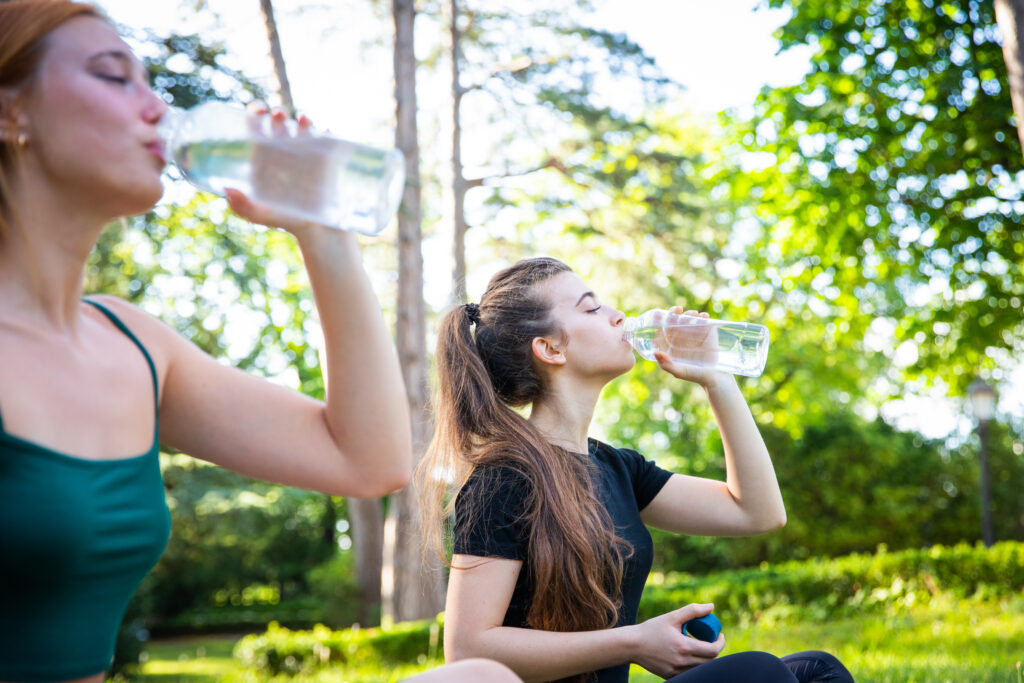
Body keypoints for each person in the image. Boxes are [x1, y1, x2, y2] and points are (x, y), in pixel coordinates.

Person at [0, 3, 521, 683]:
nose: (156, 107)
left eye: (151, 81)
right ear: (11, 113)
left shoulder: (133, 346)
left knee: (480, 678)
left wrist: (323, 232)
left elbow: (369, 460)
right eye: (113, 76)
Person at [418, 257, 855, 682]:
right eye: (591, 308)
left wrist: (716, 378)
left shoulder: (616, 467)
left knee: (819, 670)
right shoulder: (503, 479)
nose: (617, 315)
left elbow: (757, 513)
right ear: (550, 348)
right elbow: (468, 649)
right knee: (759, 671)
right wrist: (633, 643)